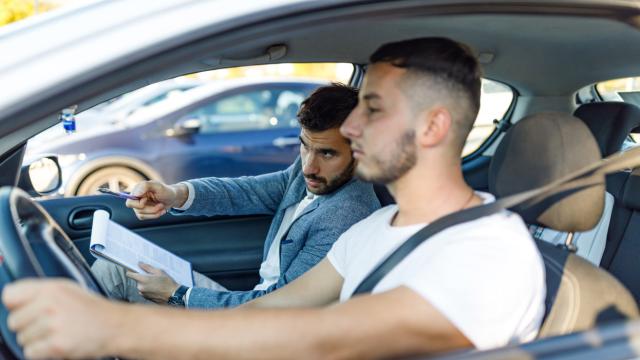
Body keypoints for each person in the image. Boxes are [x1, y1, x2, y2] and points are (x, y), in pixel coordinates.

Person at [2, 37, 546, 360]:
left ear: (433, 126)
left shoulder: (488, 251)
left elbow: (322, 339)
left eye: (373, 108)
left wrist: (110, 325)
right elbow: (279, 305)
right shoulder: (375, 232)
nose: (352, 128)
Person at [91, 83, 381, 309]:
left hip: (264, 334)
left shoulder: (347, 215)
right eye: (304, 146)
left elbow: (280, 309)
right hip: (250, 306)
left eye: (327, 153)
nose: (309, 166)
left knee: (113, 280)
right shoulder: (309, 172)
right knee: (111, 267)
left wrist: (179, 296)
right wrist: (174, 194)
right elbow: (245, 190)